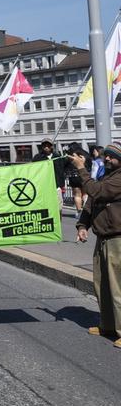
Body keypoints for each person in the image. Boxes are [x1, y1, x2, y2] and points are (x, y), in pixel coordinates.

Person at [72, 143, 121, 348]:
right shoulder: (105, 176)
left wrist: (81, 169)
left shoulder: (118, 178)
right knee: (102, 285)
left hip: (117, 239)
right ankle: (107, 325)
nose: (107, 159)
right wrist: (83, 224)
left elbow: (98, 192)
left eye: (112, 157)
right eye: (106, 156)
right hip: (102, 238)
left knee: (118, 287)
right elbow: (92, 201)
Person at [32, 139, 66, 207]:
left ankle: (59, 217)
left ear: (51, 147)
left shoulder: (57, 157)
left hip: (56, 185)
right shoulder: (37, 158)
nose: (46, 147)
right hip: (44, 186)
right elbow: (33, 170)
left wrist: (61, 184)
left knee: (58, 206)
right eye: (44, 146)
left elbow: (61, 170)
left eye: (48, 146)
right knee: (46, 206)